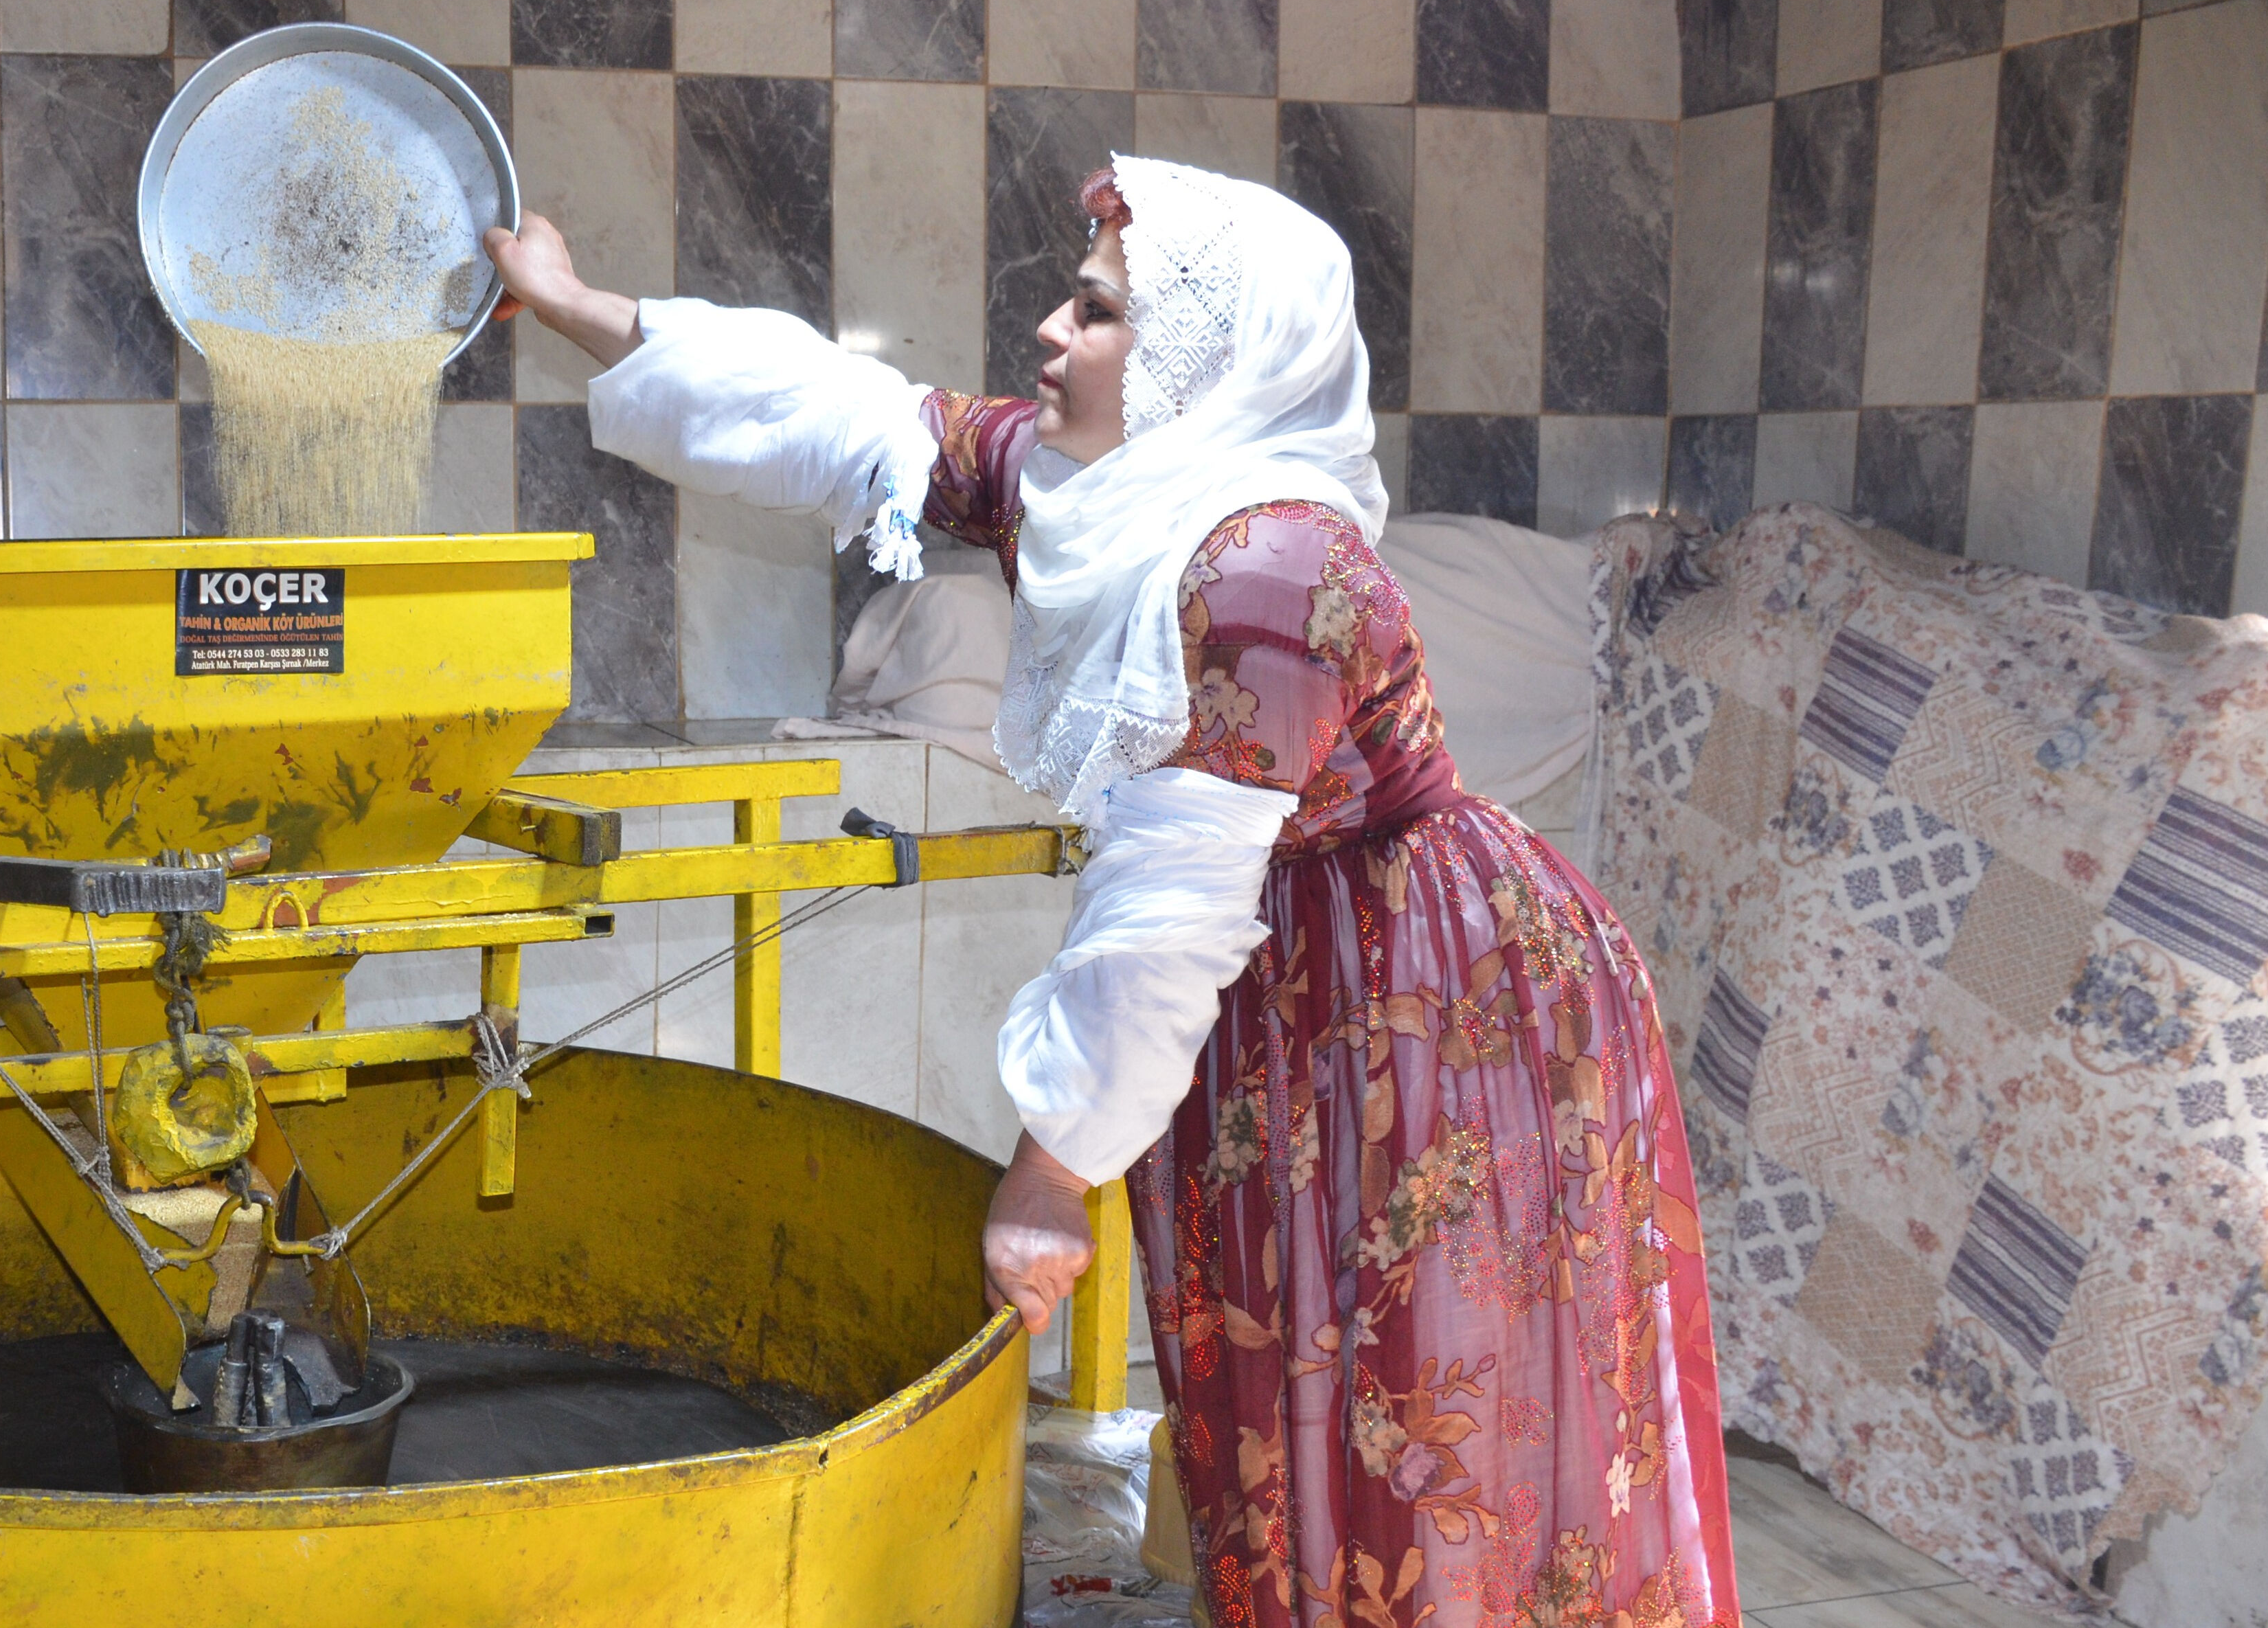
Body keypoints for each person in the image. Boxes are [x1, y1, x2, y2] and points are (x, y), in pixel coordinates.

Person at [486, 156, 1738, 1628]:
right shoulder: (1121, 491)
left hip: (1436, 1011)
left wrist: (1047, 1172)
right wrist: (576, 304)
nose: (1047, 331)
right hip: (1291, 982)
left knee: (1418, 1425)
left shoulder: (1267, 569)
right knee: (1290, 1391)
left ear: (1203, 360)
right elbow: (849, 415)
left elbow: (1165, 919)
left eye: (1093, 311)